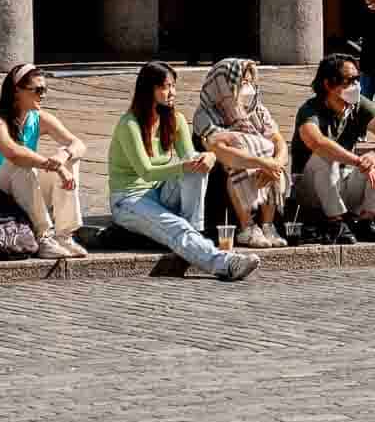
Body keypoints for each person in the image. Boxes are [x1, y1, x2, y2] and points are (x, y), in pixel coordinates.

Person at [107, 61, 260, 280]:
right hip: (130, 199)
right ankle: (224, 264)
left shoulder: (175, 119)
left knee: (196, 162)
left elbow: (190, 160)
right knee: (177, 226)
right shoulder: (129, 124)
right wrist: (185, 166)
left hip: (162, 193)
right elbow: (147, 172)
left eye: (173, 86)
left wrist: (210, 156)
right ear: (149, 89)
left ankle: (193, 229)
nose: (172, 92)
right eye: (166, 87)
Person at [0, 62, 87, 259]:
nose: (43, 94)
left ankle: (64, 235)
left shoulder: (37, 117)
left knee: (70, 159)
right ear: (16, 91)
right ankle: (43, 236)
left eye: (45, 89)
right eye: (37, 90)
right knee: (21, 164)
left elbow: (78, 143)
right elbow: (14, 153)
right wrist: (55, 167)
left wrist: (63, 157)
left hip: (21, 188)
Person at [291, 51, 375, 242]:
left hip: (343, 181)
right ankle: (335, 223)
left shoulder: (359, 105)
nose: (356, 85)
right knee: (325, 155)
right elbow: (317, 142)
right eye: (349, 80)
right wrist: (359, 161)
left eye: (358, 79)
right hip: (311, 189)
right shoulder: (310, 110)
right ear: (328, 84)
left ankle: (366, 221)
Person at [190, 57, 289, 249]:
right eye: (243, 83)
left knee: (274, 165)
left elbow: (278, 140)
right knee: (238, 163)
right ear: (225, 85)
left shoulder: (257, 111)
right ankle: (247, 227)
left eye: (251, 83)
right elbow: (224, 153)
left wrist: (275, 163)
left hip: (263, 168)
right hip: (225, 175)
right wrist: (262, 163)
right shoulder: (205, 116)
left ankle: (267, 225)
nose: (249, 88)